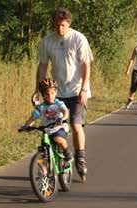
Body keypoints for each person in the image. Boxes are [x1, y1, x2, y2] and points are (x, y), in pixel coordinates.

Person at [36, 8, 93, 181]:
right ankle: (55, 157)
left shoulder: (78, 38)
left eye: (62, 25)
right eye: (57, 25)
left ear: (69, 23)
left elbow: (86, 66)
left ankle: (80, 159)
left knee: (76, 125)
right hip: (56, 92)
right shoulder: (48, 40)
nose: (59, 29)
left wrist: (84, 89)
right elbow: (42, 66)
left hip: (77, 91)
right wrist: (38, 90)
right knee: (53, 125)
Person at [20, 79, 73, 168]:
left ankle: (67, 153)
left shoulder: (58, 103)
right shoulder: (41, 107)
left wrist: (62, 118)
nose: (50, 96)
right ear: (43, 95)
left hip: (59, 126)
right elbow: (33, 118)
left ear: (56, 93)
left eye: (52, 93)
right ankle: (44, 170)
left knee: (58, 139)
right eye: (47, 94)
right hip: (47, 130)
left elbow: (65, 112)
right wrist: (26, 126)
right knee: (43, 148)